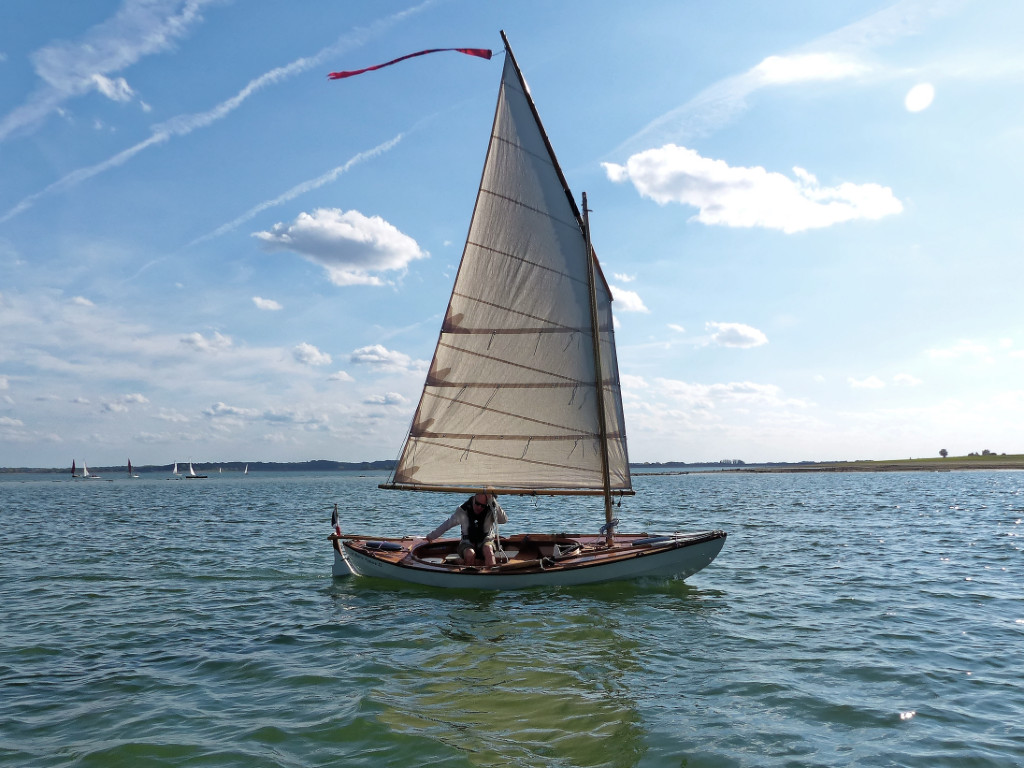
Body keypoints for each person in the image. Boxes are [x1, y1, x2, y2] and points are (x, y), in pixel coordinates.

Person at [425, 491, 508, 567]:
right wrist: (431, 536)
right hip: (467, 544)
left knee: (488, 550)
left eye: (483, 506)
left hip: (486, 542)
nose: (479, 507)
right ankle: (469, 576)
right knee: (470, 554)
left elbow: (503, 520)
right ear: (474, 498)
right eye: (477, 503)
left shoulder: (491, 509)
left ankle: (491, 576)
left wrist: (493, 502)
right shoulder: (462, 510)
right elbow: (447, 525)